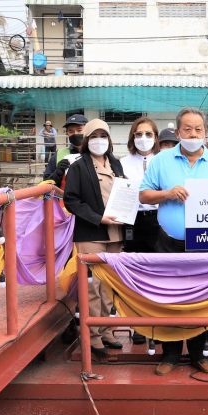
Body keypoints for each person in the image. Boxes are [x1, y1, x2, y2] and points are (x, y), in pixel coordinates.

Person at [139, 107, 208, 375]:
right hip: (168, 241)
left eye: (198, 129)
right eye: (187, 129)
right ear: (178, 132)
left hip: (205, 241)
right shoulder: (161, 161)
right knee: (170, 299)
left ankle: (201, 354)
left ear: (206, 132)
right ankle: (170, 355)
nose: (193, 134)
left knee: (204, 299)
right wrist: (166, 193)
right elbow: (144, 195)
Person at [64, 119, 127, 357]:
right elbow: (71, 200)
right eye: (93, 136)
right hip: (92, 232)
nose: (99, 140)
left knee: (110, 285)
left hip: (116, 233)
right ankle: (91, 335)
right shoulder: (79, 167)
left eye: (103, 135)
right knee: (92, 286)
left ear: (109, 139)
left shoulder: (116, 163)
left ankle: (106, 330)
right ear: (86, 140)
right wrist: (98, 218)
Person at [122, 116, 161, 254]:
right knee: (133, 259)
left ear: (156, 137)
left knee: (158, 260)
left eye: (148, 134)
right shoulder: (122, 163)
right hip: (132, 220)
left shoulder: (163, 161)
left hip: (159, 218)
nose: (143, 138)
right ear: (132, 137)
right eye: (139, 134)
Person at [46, 113, 88, 186]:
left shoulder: (95, 153)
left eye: (79, 130)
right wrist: (58, 172)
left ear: (88, 131)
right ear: (67, 133)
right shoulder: (59, 154)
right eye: (71, 131)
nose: (75, 134)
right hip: (65, 196)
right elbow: (46, 182)